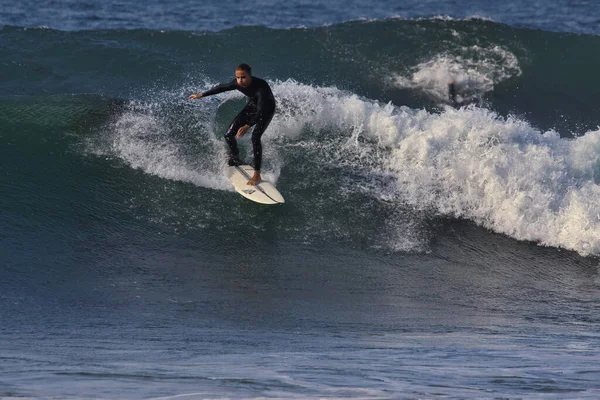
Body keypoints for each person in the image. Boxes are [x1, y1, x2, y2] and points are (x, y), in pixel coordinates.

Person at [189, 63, 276, 186]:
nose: (240, 80)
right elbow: (222, 87)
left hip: (266, 109)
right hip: (252, 105)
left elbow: (261, 111)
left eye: (243, 77)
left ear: (250, 75)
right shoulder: (237, 83)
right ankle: (236, 157)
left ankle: (256, 175)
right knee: (228, 135)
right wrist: (202, 95)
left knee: (255, 137)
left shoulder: (261, 87)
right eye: (238, 77)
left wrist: (247, 126)